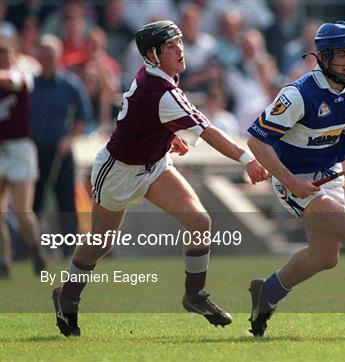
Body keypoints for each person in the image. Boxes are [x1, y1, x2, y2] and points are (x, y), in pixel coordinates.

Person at [51, 20, 268, 337]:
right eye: (170, 46)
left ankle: (194, 295)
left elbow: (148, 118)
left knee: (199, 222)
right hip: (119, 173)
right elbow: (207, 131)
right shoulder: (161, 89)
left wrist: (166, 137)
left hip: (153, 164)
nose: (180, 49)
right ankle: (66, 295)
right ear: (152, 55)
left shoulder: (160, 77)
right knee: (101, 242)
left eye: (180, 42)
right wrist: (247, 159)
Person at [246, 21, 345, 339]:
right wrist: (290, 181)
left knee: (324, 257)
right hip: (293, 179)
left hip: (329, 177)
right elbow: (257, 142)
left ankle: (266, 293)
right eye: (341, 54)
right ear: (323, 57)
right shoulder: (298, 95)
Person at [31, 34, 92, 258]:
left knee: (66, 204)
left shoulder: (70, 85)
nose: (47, 59)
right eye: (44, 56)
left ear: (58, 57)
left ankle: (70, 252)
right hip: (35, 153)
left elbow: (82, 119)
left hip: (62, 152)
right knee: (35, 203)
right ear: (38, 58)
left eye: (51, 55)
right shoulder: (31, 85)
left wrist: (68, 139)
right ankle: (33, 250)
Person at [0, 37, 45, 278]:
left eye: (7, 56)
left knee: (20, 210)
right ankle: (4, 259)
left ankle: (35, 249)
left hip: (20, 148)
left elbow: (13, 81)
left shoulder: (22, 74)